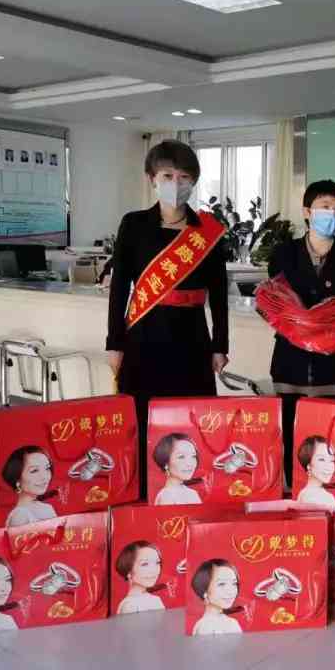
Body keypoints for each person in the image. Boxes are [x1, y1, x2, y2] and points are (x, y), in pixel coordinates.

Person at [106, 141, 229, 495]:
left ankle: (190, 491)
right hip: (143, 335)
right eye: (167, 175)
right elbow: (120, 287)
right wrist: (114, 342)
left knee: (192, 417)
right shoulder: (134, 224)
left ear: (194, 182)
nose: (176, 183)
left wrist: (220, 345)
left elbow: (219, 293)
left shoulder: (207, 230)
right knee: (141, 415)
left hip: (192, 337)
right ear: (152, 179)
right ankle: (142, 493)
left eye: (184, 177)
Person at [268, 180, 335, 486]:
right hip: (291, 362)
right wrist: (303, 325)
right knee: (291, 436)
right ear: (307, 212)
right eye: (325, 207)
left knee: (334, 440)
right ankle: (293, 497)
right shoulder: (283, 253)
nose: (332, 214)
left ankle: (331, 498)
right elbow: (275, 304)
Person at [1, 446, 57, 527]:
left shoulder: (47, 508)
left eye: (47, 468)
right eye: (34, 470)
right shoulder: (20, 516)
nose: (44, 476)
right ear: (17, 480)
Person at [191, 559, 243, 635]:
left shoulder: (231, 622)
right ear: (204, 590)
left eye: (234, 583)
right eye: (221, 584)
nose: (231, 591)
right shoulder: (205, 626)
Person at [115, 540, 166, 614]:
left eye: (157, 563)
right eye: (145, 564)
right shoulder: (130, 606)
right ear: (128, 571)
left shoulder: (155, 600)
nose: (154, 570)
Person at [152, 433, 202, 505]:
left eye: (193, 456)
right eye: (181, 457)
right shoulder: (167, 496)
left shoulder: (192, 493)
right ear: (166, 463)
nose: (190, 463)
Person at [295, 435, 335, 509]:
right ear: (308, 465)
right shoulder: (312, 497)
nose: (329, 466)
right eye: (321, 459)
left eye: (332, 460)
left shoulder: (311, 493)